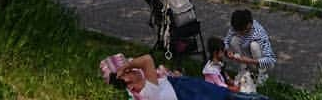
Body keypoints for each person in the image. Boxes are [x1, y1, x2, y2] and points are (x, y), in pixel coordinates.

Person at [110, 54, 269, 100]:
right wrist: (125, 67)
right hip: (198, 94)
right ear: (129, 85)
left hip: (196, 90)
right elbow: (147, 59)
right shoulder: (147, 92)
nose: (132, 69)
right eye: (128, 74)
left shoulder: (147, 84)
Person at [223, 9, 276, 85]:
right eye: (237, 31)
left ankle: (261, 75)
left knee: (254, 45)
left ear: (249, 25)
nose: (238, 33)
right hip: (248, 57)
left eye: (241, 32)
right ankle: (244, 69)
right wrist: (227, 50)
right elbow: (226, 41)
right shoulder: (236, 26)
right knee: (233, 40)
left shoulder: (259, 33)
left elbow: (271, 60)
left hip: (262, 62)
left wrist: (249, 61)